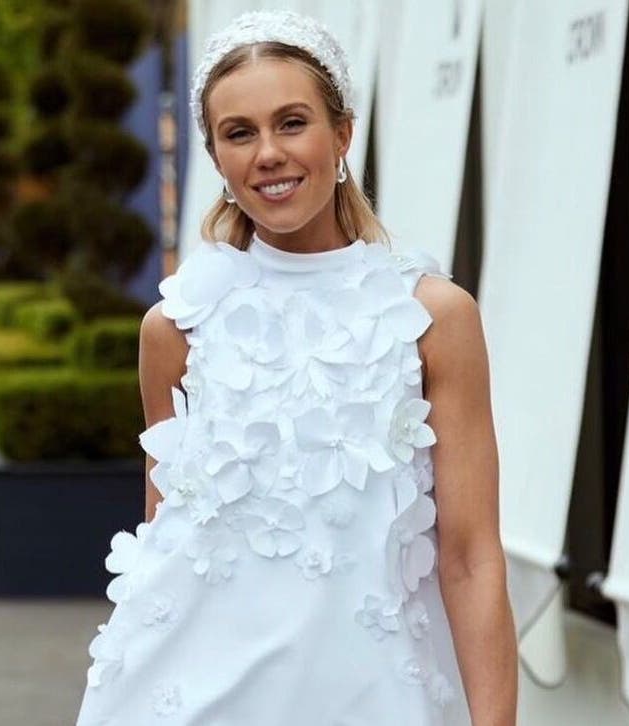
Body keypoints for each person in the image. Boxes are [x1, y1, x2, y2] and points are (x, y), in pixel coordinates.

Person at [76, 11, 517, 726]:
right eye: (239, 133)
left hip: (374, 698)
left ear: (342, 134)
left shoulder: (434, 316)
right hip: (189, 701)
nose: (268, 153)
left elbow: (470, 556)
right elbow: (164, 544)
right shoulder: (175, 327)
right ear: (215, 157)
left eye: (292, 122)